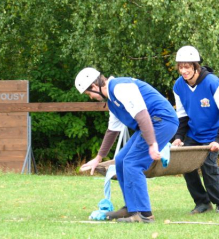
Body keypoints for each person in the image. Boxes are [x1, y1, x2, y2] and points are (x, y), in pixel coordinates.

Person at [75, 67, 178, 223]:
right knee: (122, 159)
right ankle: (131, 208)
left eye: (89, 94)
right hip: (151, 123)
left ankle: (144, 214)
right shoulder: (112, 101)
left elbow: (142, 115)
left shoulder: (120, 88)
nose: (90, 97)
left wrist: (152, 144)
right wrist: (98, 158)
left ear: (94, 86)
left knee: (133, 163)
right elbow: (112, 131)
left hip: (162, 121)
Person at [172, 46, 219, 214]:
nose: (184, 71)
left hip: (213, 134)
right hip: (193, 133)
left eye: (187, 67)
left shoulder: (213, 83)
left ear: (196, 66)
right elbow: (182, 115)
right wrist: (178, 137)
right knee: (186, 165)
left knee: (208, 165)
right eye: (181, 67)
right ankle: (202, 202)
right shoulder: (178, 86)